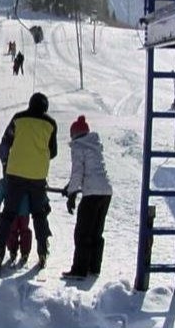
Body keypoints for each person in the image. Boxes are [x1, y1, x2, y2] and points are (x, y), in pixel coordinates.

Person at [0, 92, 58, 270]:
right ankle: (43, 250)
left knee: (9, 213)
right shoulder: (51, 124)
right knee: (39, 214)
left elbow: (6, 142)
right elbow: (53, 151)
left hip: (15, 172)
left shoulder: (18, 118)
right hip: (37, 175)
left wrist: (6, 164)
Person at [61, 116, 112, 280]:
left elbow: (78, 172)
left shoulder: (78, 146)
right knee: (97, 231)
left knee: (83, 232)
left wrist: (71, 194)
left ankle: (79, 269)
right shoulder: (94, 145)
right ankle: (94, 266)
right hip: (105, 192)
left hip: (91, 195)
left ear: (74, 134)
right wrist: (70, 188)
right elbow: (88, 172)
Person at [0, 174, 32, 267]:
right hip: (25, 211)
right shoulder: (27, 179)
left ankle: (13, 250)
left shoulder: (7, 180)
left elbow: (1, 190)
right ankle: (25, 252)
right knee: (24, 230)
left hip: (11, 209)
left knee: (12, 231)